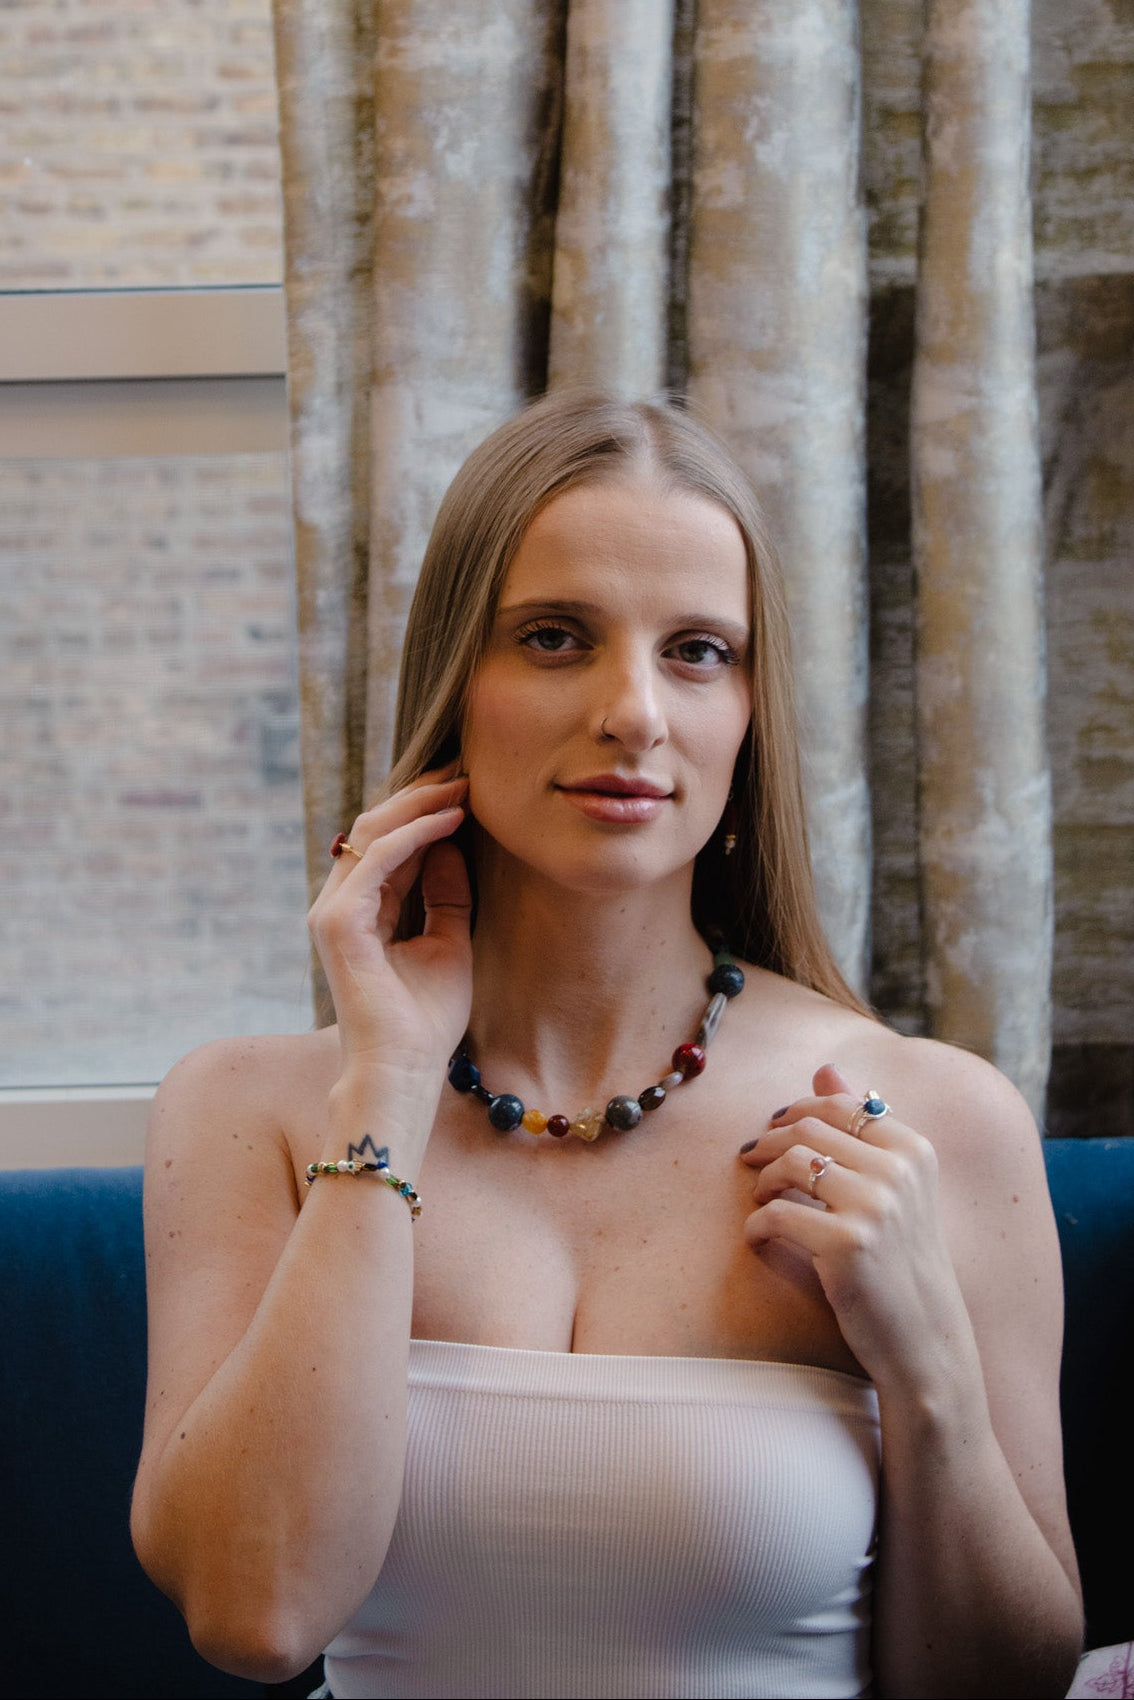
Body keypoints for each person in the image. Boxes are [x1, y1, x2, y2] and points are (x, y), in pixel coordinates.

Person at [131, 391, 1083, 1700]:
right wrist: (390, 1086)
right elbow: (256, 1614)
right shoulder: (246, 1111)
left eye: (698, 651)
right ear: (455, 681)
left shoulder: (934, 1119)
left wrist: (929, 1380)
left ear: (749, 716)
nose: (634, 710)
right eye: (555, 637)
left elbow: (1000, 1685)